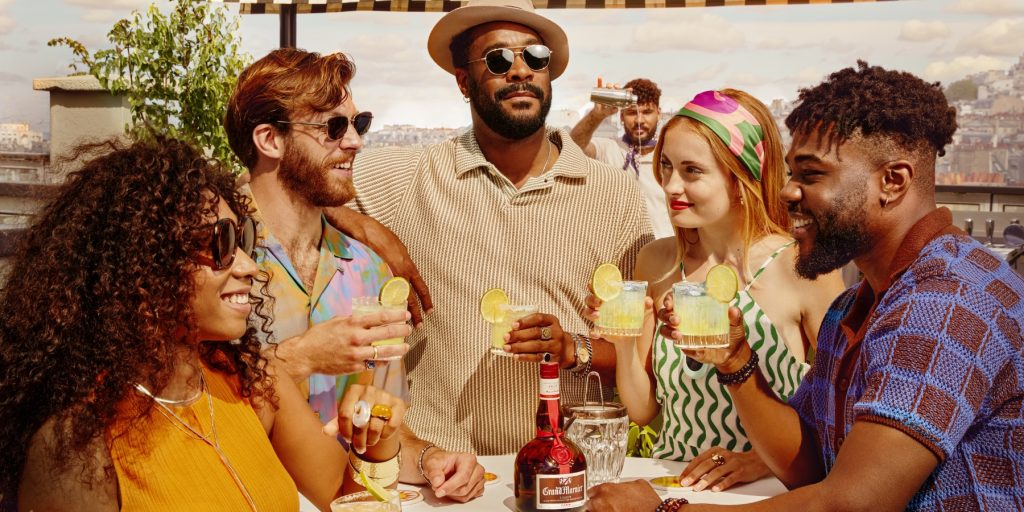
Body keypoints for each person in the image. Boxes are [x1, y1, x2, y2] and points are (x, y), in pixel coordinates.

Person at [588, 62, 1024, 510]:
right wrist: (736, 360)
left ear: (892, 181)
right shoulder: (857, 303)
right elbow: (809, 460)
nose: (787, 193)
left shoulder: (944, 304)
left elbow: (854, 503)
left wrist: (663, 510)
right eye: (792, 174)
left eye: (812, 175)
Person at [1, 138, 406, 511]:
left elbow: (341, 497)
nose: (248, 265)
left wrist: (377, 443)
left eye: (244, 239)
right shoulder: (76, 445)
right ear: (140, 267)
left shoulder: (251, 381)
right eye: (220, 244)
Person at [326, 0, 653, 456]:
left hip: (572, 469)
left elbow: (645, 354)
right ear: (463, 82)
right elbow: (271, 194)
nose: (520, 71)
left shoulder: (614, 194)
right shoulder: (409, 176)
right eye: (499, 59)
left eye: (535, 57)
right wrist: (366, 226)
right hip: (445, 474)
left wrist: (569, 347)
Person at [224, 48, 484, 502]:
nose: (355, 142)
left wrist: (430, 460)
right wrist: (299, 358)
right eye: (333, 126)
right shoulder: (211, 259)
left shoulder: (368, 269)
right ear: (270, 140)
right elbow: (187, 418)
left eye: (357, 123)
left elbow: (382, 432)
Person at [583, 89, 844, 491]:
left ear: (742, 177)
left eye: (692, 171)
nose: (671, 185)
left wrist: (762, 459)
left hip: (767, 494)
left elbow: (841, 406)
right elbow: (643, 409)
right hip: (671, 484)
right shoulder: (657, 261)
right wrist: (621, 343)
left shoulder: (800, 266)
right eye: (666, 167)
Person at [571, 78, 674, 239]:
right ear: (621, 116)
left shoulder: (671, 155)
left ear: (659, 114)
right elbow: (573, 148)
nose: (639, 120)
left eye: (647, 112)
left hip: (665, 255)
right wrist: (596, 116)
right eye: (632, 112)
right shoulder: (609, 149)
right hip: (620, 258)